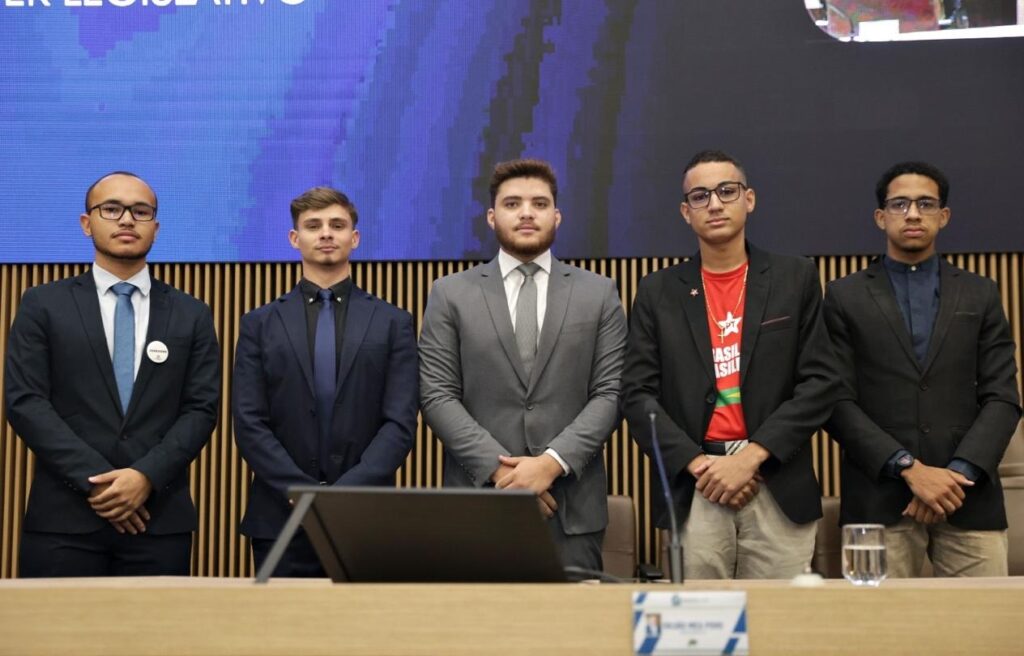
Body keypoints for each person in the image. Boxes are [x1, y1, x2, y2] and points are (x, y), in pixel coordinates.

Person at [621, 150, 837, 579]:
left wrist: (752, 458)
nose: (715, 204)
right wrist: (701, 466)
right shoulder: (658, 291)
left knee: (782, 618)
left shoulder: (795, 278)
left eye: (727, 191)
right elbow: (637, 394)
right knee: (698, 620)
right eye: (700, 196)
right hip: (696, 486)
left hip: (777, 482)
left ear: (749, 199)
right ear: (686, 212)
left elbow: (821, 381)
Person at [4, 171, 220, 577]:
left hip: (158, 519)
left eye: (140, 211)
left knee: (157, 624)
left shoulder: (191, 313)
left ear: (155, 227)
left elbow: (201, 409)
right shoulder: (42, 304)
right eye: (112, 209)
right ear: (87, 223)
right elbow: (26, 402)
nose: (126, 220)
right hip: (63, 520)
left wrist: (145, 476)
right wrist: (100, 484)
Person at [419, 158, 627, 573]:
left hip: (570, 510)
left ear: (557, 216)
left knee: (572, 617)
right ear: (492, 217)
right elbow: (437, 395)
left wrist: (550, 464)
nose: (527, 213)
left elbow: (612, 394)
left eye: (539, 203)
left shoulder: (599, 293)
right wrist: (504, 475)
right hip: (477, 505)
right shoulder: (450, 294)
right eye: (512, 204)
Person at [824, 161, 1021, 577]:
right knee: (878, 620)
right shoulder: (843, 296)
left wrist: (956, 475)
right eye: (899, 204)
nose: (912, 214)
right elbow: (835, 400)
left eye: (925, 204)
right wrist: (908, 469)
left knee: (985, 619)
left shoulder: (981, 293)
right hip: (879, 498)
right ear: (881, 217)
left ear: (943, 216)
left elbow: (1002, 397)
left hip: (968, 497)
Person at [232, 186, 417, 577]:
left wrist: (347, 493)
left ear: (355, 237)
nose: (326, 233)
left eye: (337, 224)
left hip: (366, 515)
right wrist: (299, 491)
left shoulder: (393, 322)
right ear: (294, 238)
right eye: (313, 225)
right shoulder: (258, 324)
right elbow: (249, 422)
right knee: (284, 619)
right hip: (279, 516)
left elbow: (399, 423)